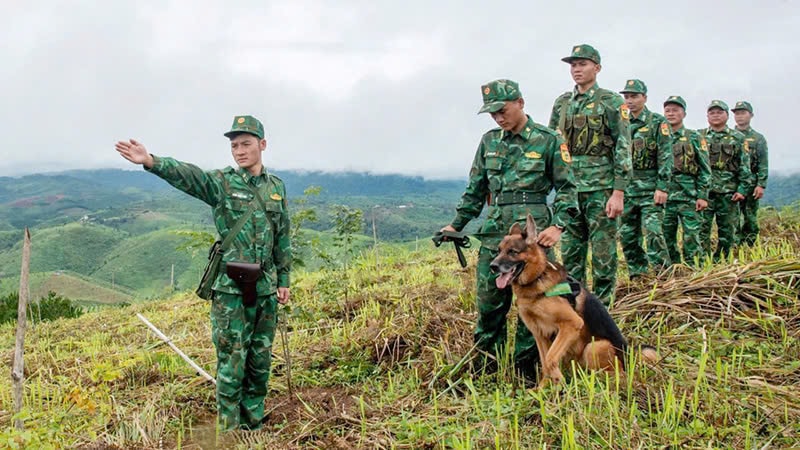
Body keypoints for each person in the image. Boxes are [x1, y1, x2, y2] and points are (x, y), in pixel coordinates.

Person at [115, 115, 291, 431]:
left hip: (265, 288)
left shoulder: (276, 188)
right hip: (230, 290)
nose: (239, 151)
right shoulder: (223, 183)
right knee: (231, 363)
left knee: (260, 360)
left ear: (262, 145)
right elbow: (190, 176)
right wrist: (152, 161)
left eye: (246, 144)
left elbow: (282, 237)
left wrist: (284, 280)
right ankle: (228, 430)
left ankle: (253, 422)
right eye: (234, 145)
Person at [440, 79, 578, 383]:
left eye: (502, 110)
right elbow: (476, 189)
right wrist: (457, 224)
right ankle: (486, 367)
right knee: (490, 304)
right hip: (496, 234)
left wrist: (558, 226)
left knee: (537, 305)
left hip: (533, 239)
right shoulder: (489, 142)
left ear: (520, 102)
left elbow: (568, 188)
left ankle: (529, 369)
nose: (499, 118)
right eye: (493, 114)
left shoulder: (548, 139)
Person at [548, 44, 632, 305]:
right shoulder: (562, 103)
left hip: (601, 188)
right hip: (571, 190)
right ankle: (574, 307)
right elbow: (552, 144)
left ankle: (603, 310)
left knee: (603, 254)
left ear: (597, 68)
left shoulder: (611, 101)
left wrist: (618, 192)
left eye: (582, 64)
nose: (576, 69)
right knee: (571, 254)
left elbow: (623, 145)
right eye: (573, 65)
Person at [617, 79, 673, 279]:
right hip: (626, 190)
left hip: (650, 189)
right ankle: (638, 276)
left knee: (653, 232)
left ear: (645, 98)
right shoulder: (621, 122)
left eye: (634, 96)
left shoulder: (658, 123)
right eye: (627, 97)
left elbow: (666, 156)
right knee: (627, 236)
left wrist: (662, 187)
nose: (630, 101)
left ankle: (663, 275)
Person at [699, 101, 754, 260]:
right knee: (702, 230)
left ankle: (722, 261)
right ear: (707, 116)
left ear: (727, 116)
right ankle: (704, 262)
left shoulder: (737, 138)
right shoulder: (699, 136)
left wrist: (742, 189)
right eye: (712, 112)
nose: (715, 115)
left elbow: (745, 166)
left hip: (728, 193)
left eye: (719, 112)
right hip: (705, 193)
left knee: (727, 231)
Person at [661, 96, 711, 266]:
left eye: (675, 110)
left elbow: (705, 169)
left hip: (689, 196)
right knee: (666, 237)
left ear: (684, 113)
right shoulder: (660, 136)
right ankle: (673, 272)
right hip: (665, 196)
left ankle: (695, 271)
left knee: (691, 237)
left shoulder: (694, 137)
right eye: (668, 110)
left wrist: (702, 195)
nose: (671, 113)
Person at [732, 101, 769, 246]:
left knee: (750, 217)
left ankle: (749, 246)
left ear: (751, 115)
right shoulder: (730, 136)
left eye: (743, 113)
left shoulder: (758, 138)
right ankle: (734, 246)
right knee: (732, 217)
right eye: (737, 113)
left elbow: (763, 163)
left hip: (752, 182)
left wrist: (761, 185)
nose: (740, 116)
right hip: (732, 182)